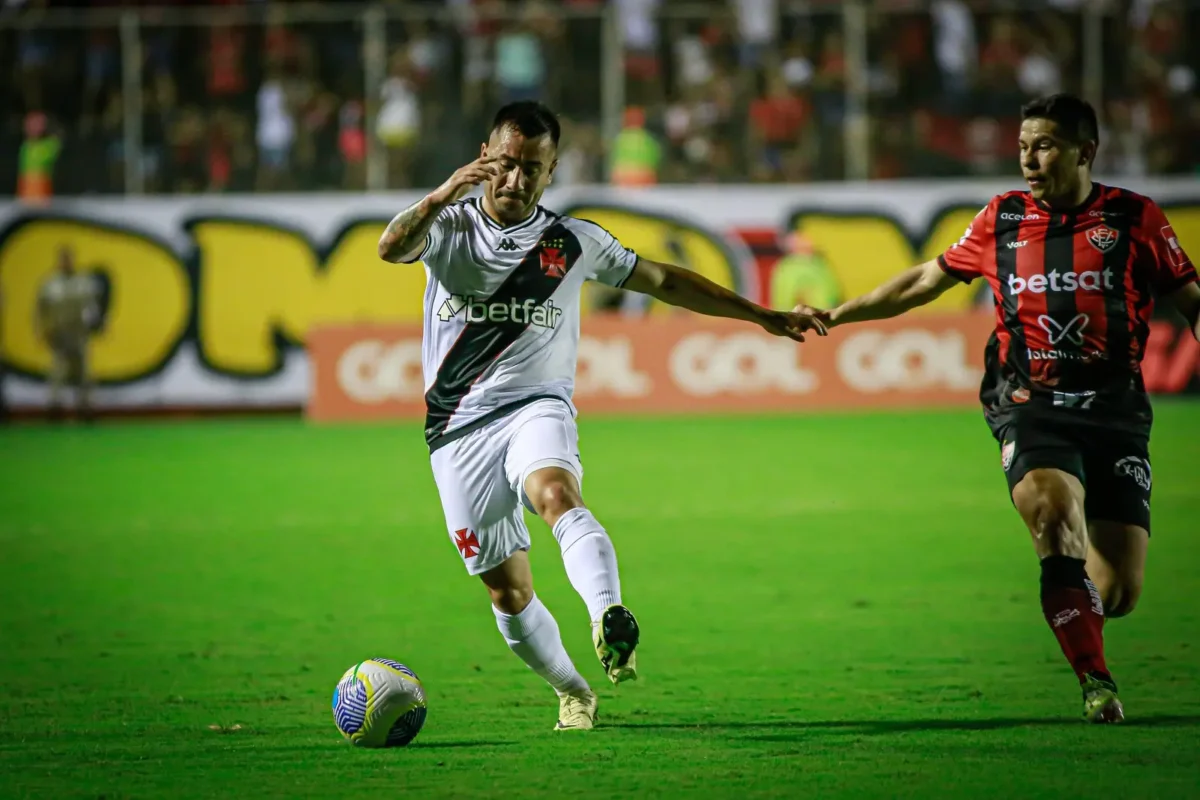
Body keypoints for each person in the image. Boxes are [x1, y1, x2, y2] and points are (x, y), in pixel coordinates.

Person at [378, 101, 825, 732]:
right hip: (456, 428)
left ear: (551, 171)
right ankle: (574, 690)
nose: (514, 180)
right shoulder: (447, 228)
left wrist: (761, 314)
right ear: (485, 156)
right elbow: (389, 247)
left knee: (556, 492)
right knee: (507, 593)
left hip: (537, 405)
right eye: (505, 164)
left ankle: (608, 614)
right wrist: (441, 192)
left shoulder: (573, 242)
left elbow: (664, 281)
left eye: (531, 169)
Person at [798, 93, 1198, 724]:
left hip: (1115, 409)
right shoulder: (1001, 218)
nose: (1029, 160)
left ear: (1085, 151)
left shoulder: (1135, 217)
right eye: (1022, 147)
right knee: (1051, 513)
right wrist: (841, 313)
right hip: (1029, 401)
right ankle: (1097, 683)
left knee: (1117, 593)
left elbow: (1191, 302)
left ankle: (1074, 601)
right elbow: (925, 279)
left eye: (1044, 146)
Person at [36, 247, 101, 422]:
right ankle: (54, 408)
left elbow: (92, 307)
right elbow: (41, 310)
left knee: (84, 373)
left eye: (69, 259)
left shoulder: (83, 282)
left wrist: (94, 324)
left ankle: (85, 407)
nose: (67, 263)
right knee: (58, 372)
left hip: (79, 334)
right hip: (58, 335)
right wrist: (43, 330)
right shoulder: (50, 284)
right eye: (64, 259)